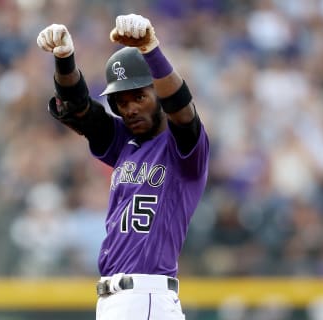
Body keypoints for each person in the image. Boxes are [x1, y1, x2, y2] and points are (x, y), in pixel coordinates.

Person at [37, 13, 209, 320]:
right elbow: (79, 111)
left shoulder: (183, 148)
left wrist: (152, 51)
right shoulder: (124, 142)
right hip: (120, 300)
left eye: (139, 96)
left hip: (144, 297)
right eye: (121, 101)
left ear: (158, 94)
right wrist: (64, 59)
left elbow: (183, 110)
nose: (129, 108)